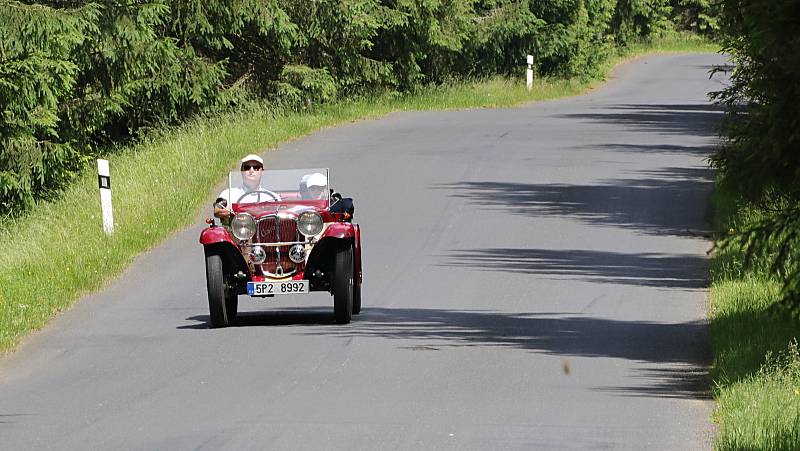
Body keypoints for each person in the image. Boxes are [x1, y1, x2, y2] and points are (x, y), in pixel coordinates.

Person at [214, 154, 280, 219]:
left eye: (256, 167)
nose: (251, 170)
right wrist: (230, 213)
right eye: (247, 167)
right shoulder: (228, 194)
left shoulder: (273, 197)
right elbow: (217, 210)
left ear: (262, 172)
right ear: (242, 171)